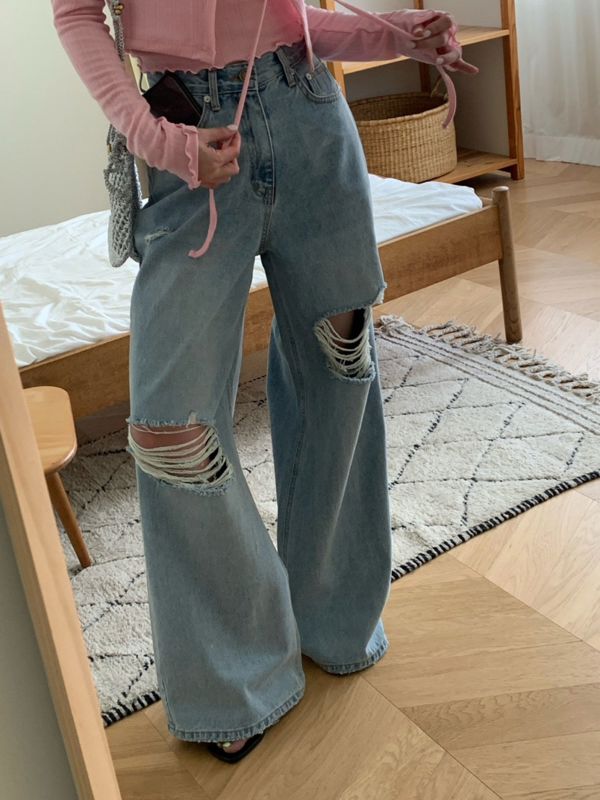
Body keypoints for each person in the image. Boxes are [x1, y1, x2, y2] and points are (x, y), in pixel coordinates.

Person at [51, 0, 478, 764]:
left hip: (308, 112)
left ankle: (331, 614)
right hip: (186, 135)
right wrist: (155, 139)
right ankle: (235, 674)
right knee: (171, 430)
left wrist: (392, 34)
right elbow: (76, 14)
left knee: (340, 365)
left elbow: (288, 20)